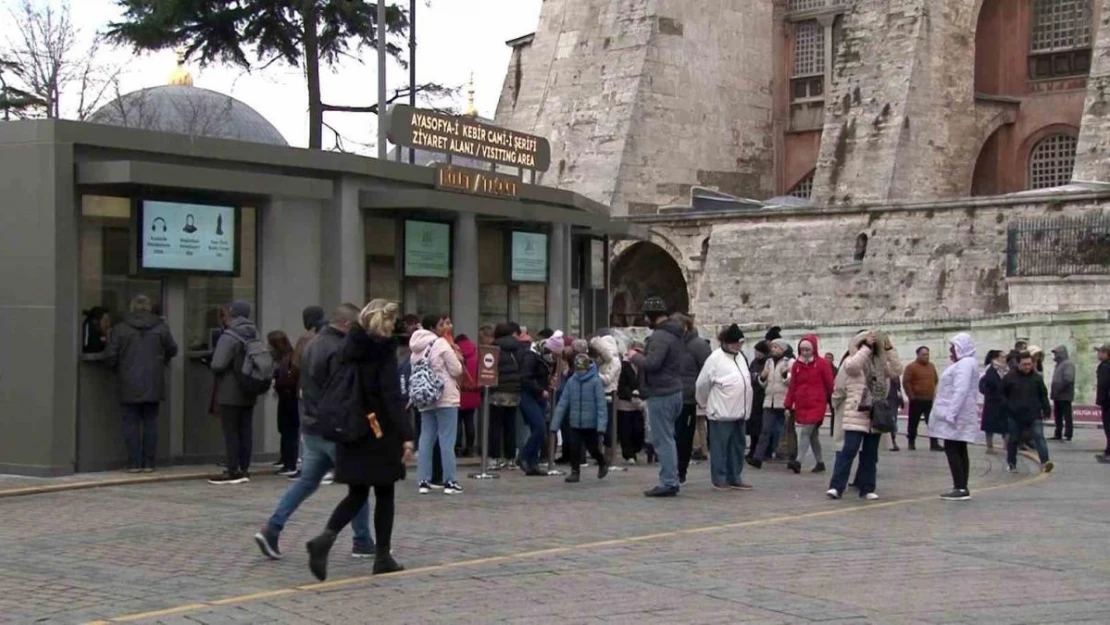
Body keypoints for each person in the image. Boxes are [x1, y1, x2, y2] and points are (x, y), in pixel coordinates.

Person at [255, 304, 376, 561]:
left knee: (306, 482)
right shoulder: (341, 349)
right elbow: (346, 392)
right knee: (359, 485)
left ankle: (272, 528)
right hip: (335, 428)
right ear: (346, 325)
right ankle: (362, 540)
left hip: (311, 425)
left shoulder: (311, 344)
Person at [306, 300, 413, 581]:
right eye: (391, 321)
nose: (394, 327)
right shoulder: (382, 352)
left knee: (357, 493)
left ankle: (325, 538)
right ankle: (382, 556)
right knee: (385, 493)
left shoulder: (349, 348)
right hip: (379, 432)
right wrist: (407, 435)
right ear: (383, 322)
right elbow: (390, 397)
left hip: (352, 428)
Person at [103, 295, 178, 473]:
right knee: (151, 422)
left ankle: (134, 463)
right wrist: (161, 361)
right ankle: (149, 463)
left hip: (128, 381)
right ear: (149, 308)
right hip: (154, 381)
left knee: (131, 423)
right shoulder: (161, 327)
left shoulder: (120, 329)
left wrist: (119, 370)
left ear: (132, 308)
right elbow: (172, 349)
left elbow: (110, 355)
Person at [827, 330, 903, 500]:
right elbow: (853, 367)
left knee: (870, 454)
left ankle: (867, 487)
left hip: (875, 415)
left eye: (874, 345)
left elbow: (897, 370)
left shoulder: (881, 364)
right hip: (856, 413)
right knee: (849, 450)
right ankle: (837, 486)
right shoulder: (852, 361)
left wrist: (889, 348)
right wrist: (866, 347)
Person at [629, 296, 686, 497]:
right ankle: (671, 478)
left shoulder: (660, 336)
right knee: (668, 437)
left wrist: (634, 357)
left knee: (663, 440)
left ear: (650, 316)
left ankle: (669, 481)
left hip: (662, 393)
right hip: (674, 390)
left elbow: (653, 364)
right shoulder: (675, 334)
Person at [209, 301, 264, 485]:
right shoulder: (255, 333)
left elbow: (218, 364)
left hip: (230, 391)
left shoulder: (230, 335)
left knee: (231, 431)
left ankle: (232, 470)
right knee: (245, 430)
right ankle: (244, 468)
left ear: (232, 314)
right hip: (249, 389)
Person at [695, 324, 754, 490]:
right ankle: (719, 477)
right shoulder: (715, 359)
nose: (738, 346)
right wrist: (704, 403)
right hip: (721, 412)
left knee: (737, 447)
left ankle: (735, 476)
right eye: (736, 343)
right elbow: (702, 384)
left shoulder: (740, 357)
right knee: (720, 447)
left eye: (740, 343)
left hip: (740, 412)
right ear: (727, 343)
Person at [410, 314, 464, 495]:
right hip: (445, 395)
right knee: (447, 439)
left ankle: (423, 481)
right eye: (441, 324)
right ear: (432, 327)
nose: (444, 327)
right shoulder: (440, 343)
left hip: (425, 396)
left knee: (426, 437)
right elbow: (456, 369)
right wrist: (455, 355)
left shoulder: (415, 348)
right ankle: (450, 481)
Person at [930, 333, 982, 501]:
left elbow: (961, 389)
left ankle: (960, 487)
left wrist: (950, 413)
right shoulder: (966, 363)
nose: (951, 352)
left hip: (956, 415)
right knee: (959, 449)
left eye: (953, 348)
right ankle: (961, 486)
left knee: (953, 449)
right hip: (959, 413)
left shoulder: (965, 365)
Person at [551, 353, 610, 483]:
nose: (581, 372)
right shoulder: (572, 382)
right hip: (575, 422)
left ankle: (602, 462)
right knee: (574, 447)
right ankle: (575, 472)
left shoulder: (595, 382)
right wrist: (555, 423)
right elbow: (563, 403)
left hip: (591, 423)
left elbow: (601, 405)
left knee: (593, 448)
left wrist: (601, 426)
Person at [783, 335, 833, 474]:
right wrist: (788, 405)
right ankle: (820, 462)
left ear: (814, 349)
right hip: (802, 404)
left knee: (805, 432)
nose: (805, 352)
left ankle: (798, 461)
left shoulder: (822, 364)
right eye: (802, 349)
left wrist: (832, 401)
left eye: (807, 349)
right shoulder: (797, 366)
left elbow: (830, 384)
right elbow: (792, 386)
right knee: (812, 435)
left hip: (817, 404)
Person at [673, 313, 711, 484]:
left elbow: (708, 370)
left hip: (688, 397)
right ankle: (672, 468)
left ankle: (681, 469)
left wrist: (700, 394)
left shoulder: (698, 345)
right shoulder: (673, 343)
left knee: (684, 435)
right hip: (671, 394)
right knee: (671, 435)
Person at [1002, 351, 1054, 474]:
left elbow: (1043, 395)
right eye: (1024, 364)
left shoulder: (1036, 378)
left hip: (1034, 414)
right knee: (1013, 440)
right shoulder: (1010, 377)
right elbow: (1002, 394)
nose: (1027, 367)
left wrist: (1046, 409)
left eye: (1029, 364)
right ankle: (1011, 463)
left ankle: (1045, 462)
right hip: (1015, 415)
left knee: (1039, 437)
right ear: (1018, 364)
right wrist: (1007, 409)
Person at [748, 339, 793, 469]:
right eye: (772, 347)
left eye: (777, 347)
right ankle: (758, 457)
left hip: (783, 401)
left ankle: (786, 454)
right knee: (765, 430)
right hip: (769, 400)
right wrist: (762, 377)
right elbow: (764, 383)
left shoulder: (789, 362)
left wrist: (785, 374)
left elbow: (790, 382)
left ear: (783, 350)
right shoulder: (768, 362)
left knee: (783, 430)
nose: (774, 349)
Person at [518, 332, 554, 475]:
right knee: (539, 428)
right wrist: (540, 391)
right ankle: (523, 456)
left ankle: (533, 463)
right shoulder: (531, 357)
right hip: (530, 396)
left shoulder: (543, 359)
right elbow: (525, 379)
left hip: (539, 397)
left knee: (539, 431)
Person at [489, 323, 523, 469]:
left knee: (495, 426)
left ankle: (494, 457)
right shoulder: (518, 348)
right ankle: (510, 458)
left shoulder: (493, 348)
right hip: (514, 390)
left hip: (497, 391)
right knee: (510, 425)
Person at [268, 330, 299, 476]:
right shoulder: (284, 357)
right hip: (285, 395)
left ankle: (289, 462)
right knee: (284, 428)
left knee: (289, 429)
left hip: (288, 396)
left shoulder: (287, 358)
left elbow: (286, 378)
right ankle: (285, 458)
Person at [902, 346, 940, 451]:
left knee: (932, 422)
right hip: (916, 400)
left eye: (927, 354)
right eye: (924, 354)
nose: (926, 356)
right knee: (913, 423)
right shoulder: (911, 367)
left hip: (929, 400)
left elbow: (935, 380)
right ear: (918, 355)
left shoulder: (931, 366)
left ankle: (934, 444)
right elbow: (906, 382)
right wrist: (911, 396)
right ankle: (911, 442)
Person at [590, 334, 622, 455]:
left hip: (609, 394)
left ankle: (609, 453)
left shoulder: (614, 362)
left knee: (609, 427)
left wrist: (594, 374)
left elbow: (608, 379)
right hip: (599, 393)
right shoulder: (602, 362)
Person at [616, 342, 646, 464]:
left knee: (638, 430)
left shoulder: (643, 368)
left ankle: (636, 449)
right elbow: (621, 385)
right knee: (626, 430)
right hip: (625, 403)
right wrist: (631, 395)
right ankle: (629, 454)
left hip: (639, 404)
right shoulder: (623, 366)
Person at [979, 349, 1009, 454]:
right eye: (1003, 357)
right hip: (992, 402)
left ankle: (1006, 447)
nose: (1005, 359)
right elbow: (982, 385)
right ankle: (990, 447)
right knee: (990, 426)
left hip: (1004, 402)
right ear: (996, 358)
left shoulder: (1007, 370)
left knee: (1006, 425)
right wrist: (989, 393)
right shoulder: (989, 369)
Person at [455, 333, 480, 458]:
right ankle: (470, 448)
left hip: (458, 392)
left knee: (457, 422)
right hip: (473, 392)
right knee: (469, 421)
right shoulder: (476, 354)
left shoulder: (455, 353)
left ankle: (457, 447)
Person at [747, 341, 769, 459]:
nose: (757, 354)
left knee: (761, 427)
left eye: (759, 352)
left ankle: (761, 451)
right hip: (753, 398)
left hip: (762, 397)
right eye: (756, 351)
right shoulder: (754, 363)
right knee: (753, 427)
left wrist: (757, 378)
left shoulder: (767, 363)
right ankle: (753, 448)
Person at [1050, 346, 1075, 442]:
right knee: (1058, 415)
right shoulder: (1059, 364)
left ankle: (1068, 434)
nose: (1055, 355)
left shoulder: (1068, 364)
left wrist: (1059, 389)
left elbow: (1068, 379)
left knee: (1067, 415)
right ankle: (1058, 433)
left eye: (1056, 353)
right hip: (1058, 395)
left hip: (1064, 395)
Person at [1096, 345, 1110, 464]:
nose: (1098, 354)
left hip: (1107, 401)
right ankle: (1108, 451)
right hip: (1106, 401)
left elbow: (1104, 385)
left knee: (1108, 427)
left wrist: (1102, 399)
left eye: (1100, 352)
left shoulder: (1106, 366)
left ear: (1106, 353)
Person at [886, 378, 905, 452]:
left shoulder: (895, 377)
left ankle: (892, 442)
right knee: (891, 420)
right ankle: (892, 442)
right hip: (889, 399)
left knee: (892, 421)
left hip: (893, 400)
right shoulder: (893, 375)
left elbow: (898, 389)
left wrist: (901, 400)